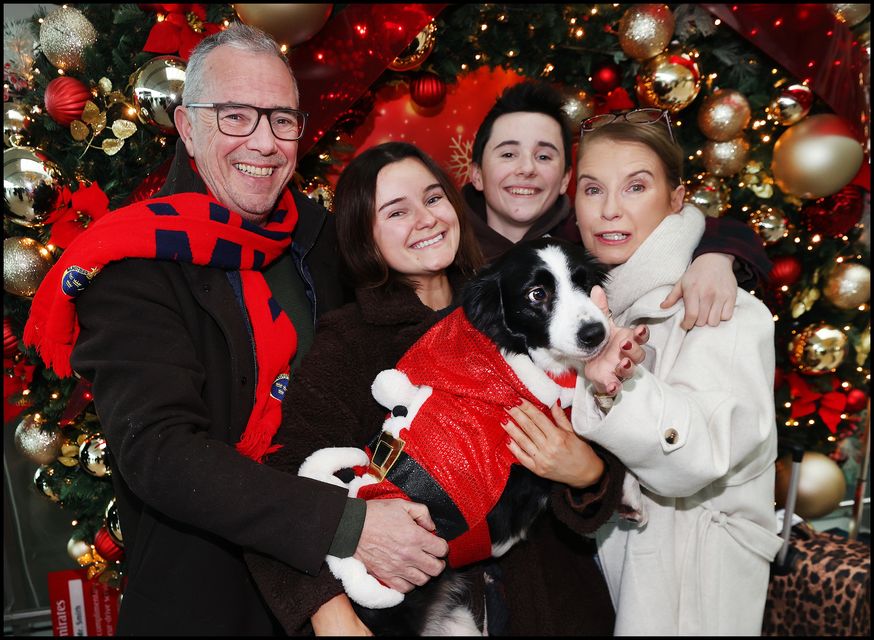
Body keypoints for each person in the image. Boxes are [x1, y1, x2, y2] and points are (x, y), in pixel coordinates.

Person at [23, 24, 446, 636]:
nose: (264, 143)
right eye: (235, 117)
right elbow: (161, 452)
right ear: (188, 126)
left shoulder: (323, 239)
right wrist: (346, 524)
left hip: (352, 600)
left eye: (281, 119)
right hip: (208, 604)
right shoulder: (133, 263)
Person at [245, 141, 641, 635]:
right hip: (409, 611)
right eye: (396, 211)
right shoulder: (346, 344)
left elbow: (596, 443)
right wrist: (331, 615)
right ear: (364, 239)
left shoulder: (521, 295)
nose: (426, 219)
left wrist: (588, 474)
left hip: (548, 603)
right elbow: (281, 487)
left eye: (433, 199)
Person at [507, 110, 782, 635]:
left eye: (636, 186)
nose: (610, 209)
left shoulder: (719, 305)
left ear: (677, 199)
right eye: (592, 190)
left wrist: (616, 389)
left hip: (687, 598)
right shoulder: (596, 311)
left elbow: (700, 455)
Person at [464, 80, 773, 330]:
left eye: (544, 156)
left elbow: (704, 224)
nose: (527, 169)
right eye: (508, 154)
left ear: (565, 179)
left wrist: (716, 257)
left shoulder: (573, 237)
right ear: (475, 173)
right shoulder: (444, 245)